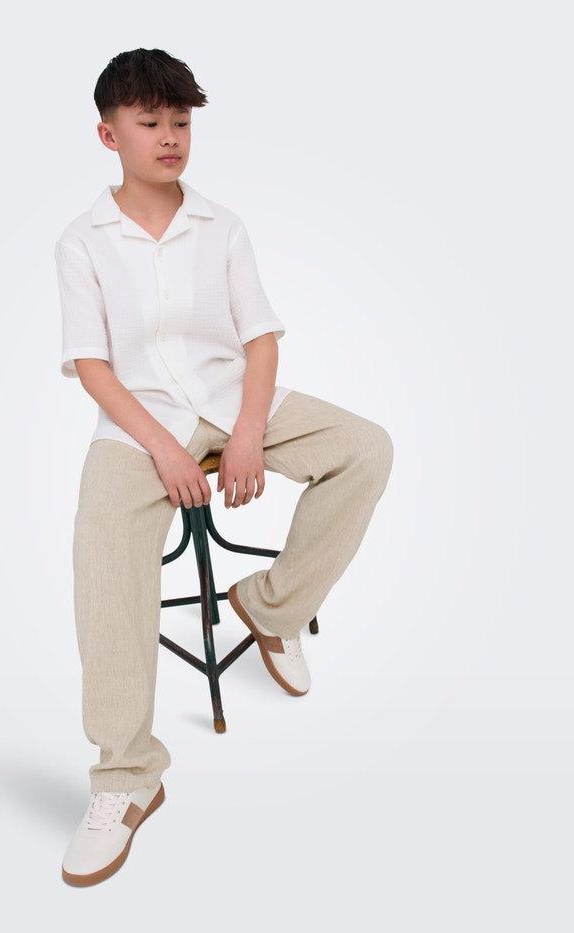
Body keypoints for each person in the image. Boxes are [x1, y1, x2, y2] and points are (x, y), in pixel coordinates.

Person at [55, 48, 393, 887]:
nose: (170, 136)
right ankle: (128, 775)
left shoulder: (223, 225)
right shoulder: (82, 241)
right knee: (101, 552)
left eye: (181, 120)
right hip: (137, 425)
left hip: (235, 400)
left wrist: (246, 432)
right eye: (150, 121)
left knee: (364, 447)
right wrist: (166, 448)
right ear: (109, 134)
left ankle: (273, 608)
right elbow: (93, 365)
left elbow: (260, 339)